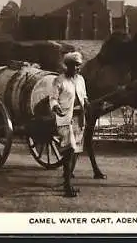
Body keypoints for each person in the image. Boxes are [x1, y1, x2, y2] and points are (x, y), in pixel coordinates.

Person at [49, 51, 90, 198]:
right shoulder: (59, 81)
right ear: (68, 66)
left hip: (79, 119)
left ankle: (68, 182)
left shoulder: (81, 80)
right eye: (75, 66)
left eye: (79, 66)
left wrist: (87, 103)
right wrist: (55, 106)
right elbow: (53, 98)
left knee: (76, 151)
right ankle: (67, 186)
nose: (78, 68)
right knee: (69, 151)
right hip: (64, 119)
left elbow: (84, 96)